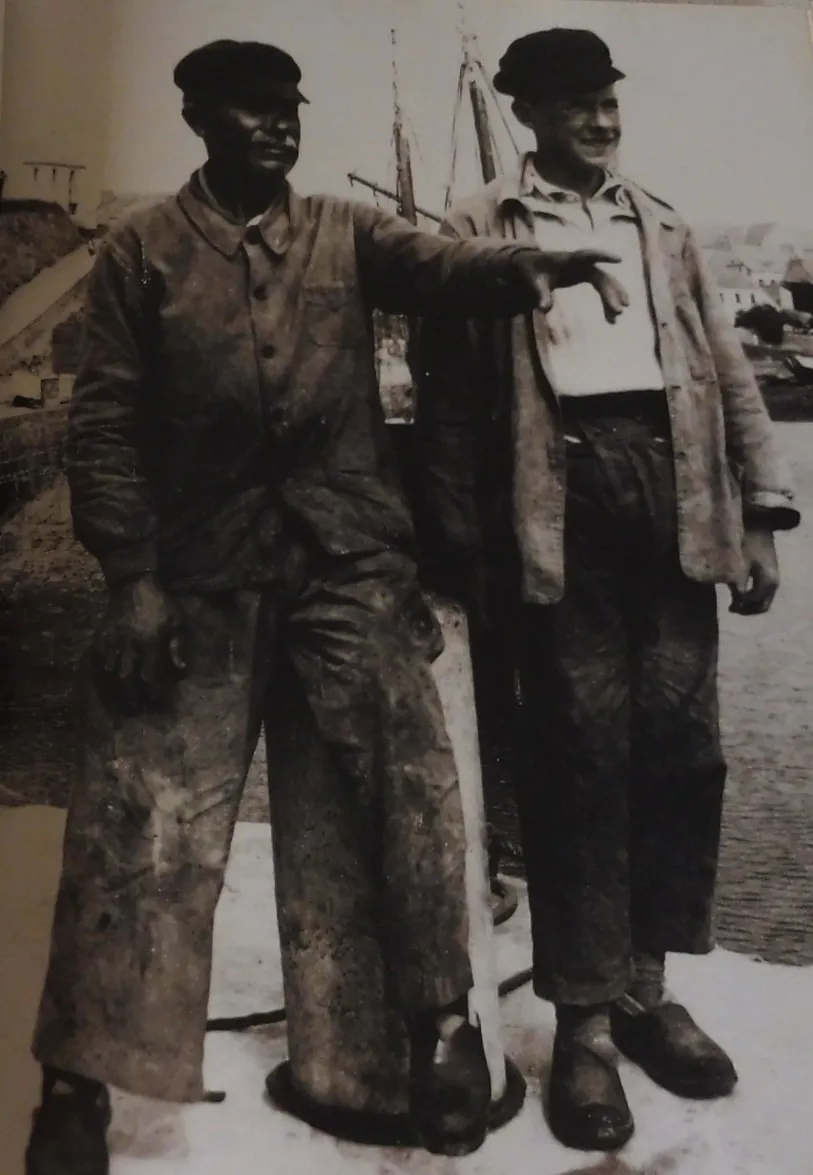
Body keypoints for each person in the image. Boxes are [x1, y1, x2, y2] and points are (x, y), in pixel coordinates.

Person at [23, 39, 627, 1174]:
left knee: (413, 773)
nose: (277, 126)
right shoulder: (140, 251)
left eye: (288, 108)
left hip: (347, 566)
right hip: (197, 576)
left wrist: (528, 271)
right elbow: (101, 426)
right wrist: (133, 581)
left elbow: (442, 264)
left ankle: (442, 1024)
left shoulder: (347, 233)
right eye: (251, 111)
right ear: (199, 118)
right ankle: (78, 1083)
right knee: (141, 807)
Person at [414, 27, 800, 1154]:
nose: (602, 117)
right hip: (557, 501)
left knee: (684, 751)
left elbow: (727, 374)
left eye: (610, 100)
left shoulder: (661, 223)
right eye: (578, 102)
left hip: (675, 502)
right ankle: (580, 1026)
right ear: (527, 111)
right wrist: (455, 548)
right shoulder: (480, 230)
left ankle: (646, 989)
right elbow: (444, 403)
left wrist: (764, 519)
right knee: (580, 760)